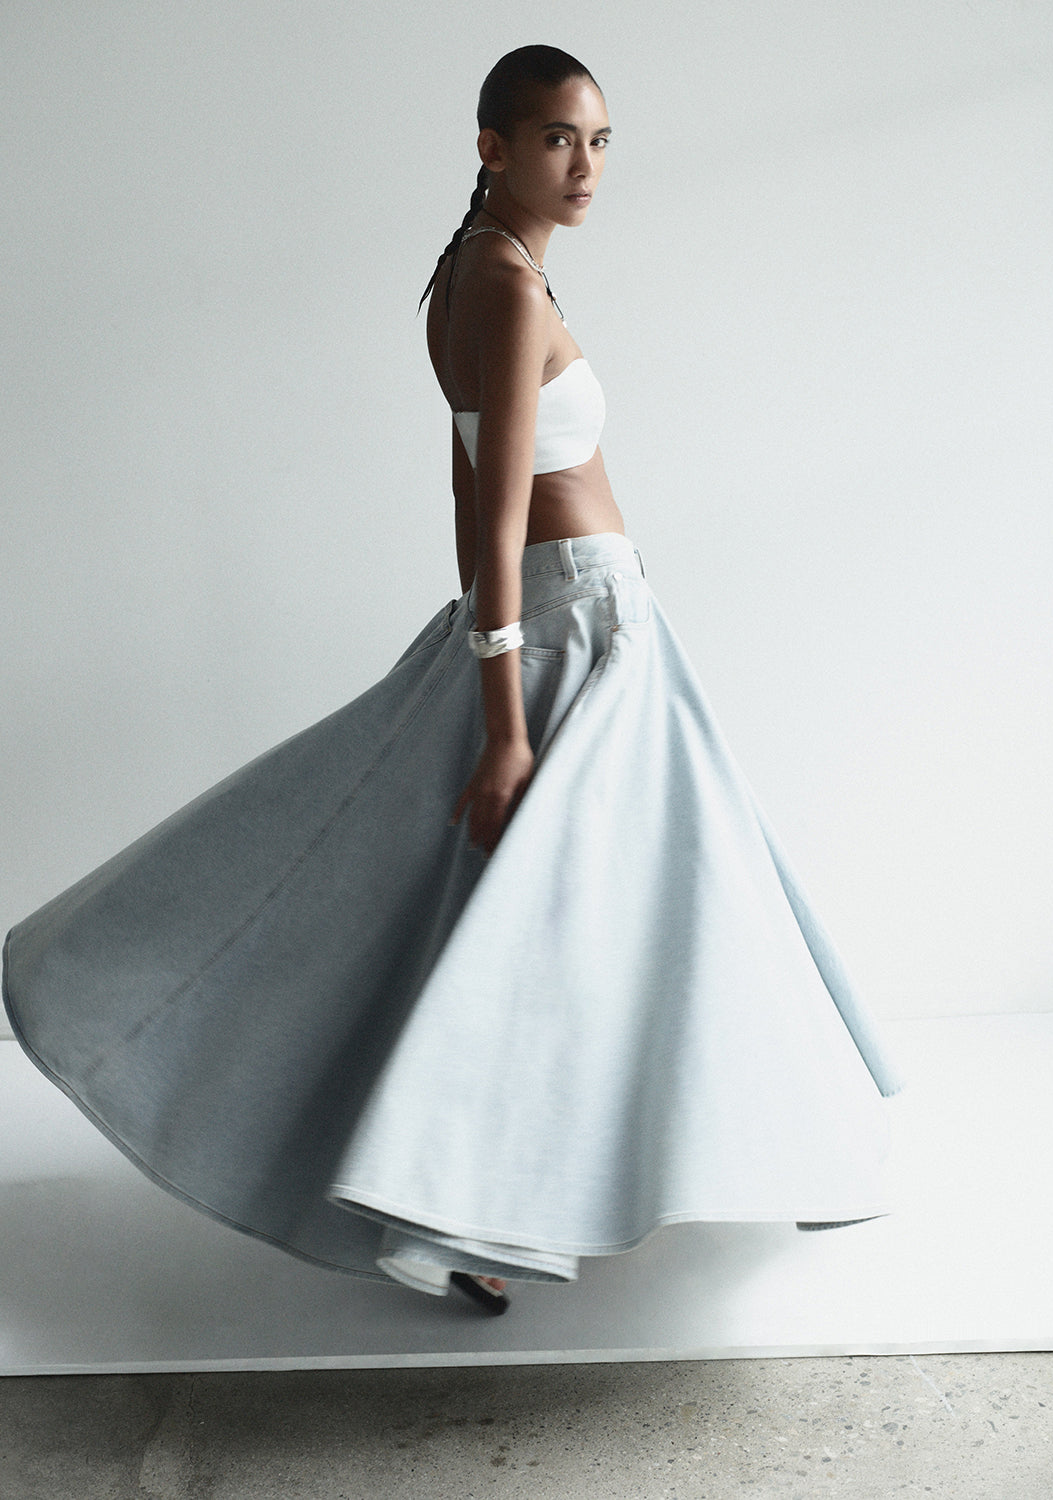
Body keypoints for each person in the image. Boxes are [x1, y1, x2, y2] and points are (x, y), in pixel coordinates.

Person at [2, 46, 903, 1320]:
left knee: (561, 922)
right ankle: (466, 1203)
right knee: (560, 921)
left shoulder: (487, 270)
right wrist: (500, 720)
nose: (582, 166)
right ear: (488, 145)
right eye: (552, 139)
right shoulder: (502, 287)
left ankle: (515, 1188)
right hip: (571, 633)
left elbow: (466, 485)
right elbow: (488, 515)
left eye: (597, 140)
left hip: (579, 622)